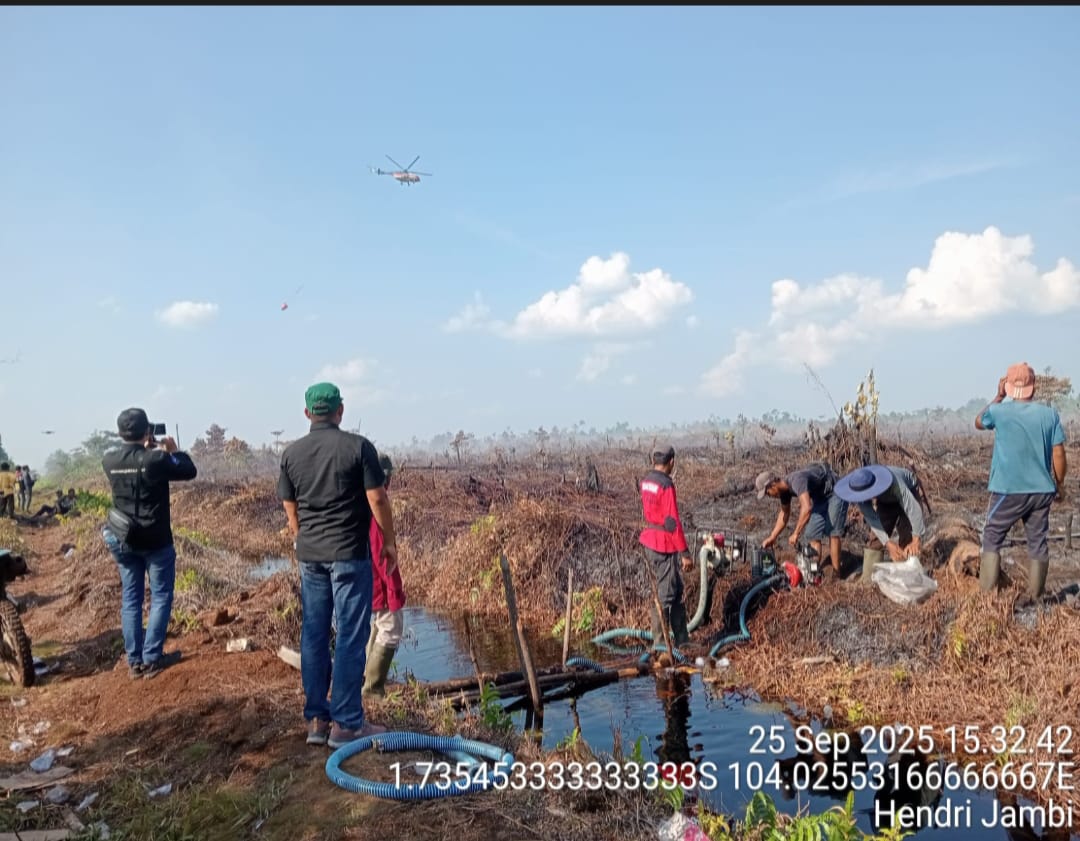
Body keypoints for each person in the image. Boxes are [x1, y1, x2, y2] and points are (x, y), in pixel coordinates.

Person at [278, 382, 398, 748]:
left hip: (310, 556)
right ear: (340, 410)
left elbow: (289, 504)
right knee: (350, 635)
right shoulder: (358, 447)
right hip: (348, 554)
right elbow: (376, 497)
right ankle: (346, 724)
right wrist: (389, 540)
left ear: (307, 414)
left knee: (314, 633)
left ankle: (317, 721)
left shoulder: (292, 453)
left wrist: (300, 536)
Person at [101, 408, 198, 679]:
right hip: (155, 540)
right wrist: (172, 450)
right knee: (160, 596)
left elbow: (133, 464)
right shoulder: (155, 459)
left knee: (131, 598)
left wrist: (150, 449)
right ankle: (152, 657)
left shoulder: (108, 460)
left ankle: (134, 661)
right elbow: (189, 471)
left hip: (122, 538)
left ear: (120, 432)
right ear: (147, 431)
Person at [975, 362, 1067, 599]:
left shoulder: (998, 411)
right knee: (1038, 542)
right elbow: (1058, 454)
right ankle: (1036, 597)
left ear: (1007, 385)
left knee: (992, 537)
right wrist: (1060, 484)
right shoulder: (1050, 415)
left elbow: (978, 422)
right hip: (1041, 491)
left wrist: (998, 395)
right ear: (1033, 387)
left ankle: (986, 599)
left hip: (1007, 490)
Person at [834, 465, 929, 584]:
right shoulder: (858, 492)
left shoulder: (895, 484)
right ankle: (869, 581)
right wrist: (888, 543)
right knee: (875, 541)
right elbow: (873, 519)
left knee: (907, 541)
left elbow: (912, 508)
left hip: (909, 492)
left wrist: (916, 539)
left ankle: (909, 581)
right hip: (885, 502)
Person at [638, 446, 693, 649]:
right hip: (663, 544)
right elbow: (671, 522)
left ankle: (682, 642)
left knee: (677, 590)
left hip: (650, 540)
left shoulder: (647, 481)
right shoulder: (666, 484)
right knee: (666, 595)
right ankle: (661, 647)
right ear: (671, 462)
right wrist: (685, 553)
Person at [756, 462, 848, 579]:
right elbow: (784, 513)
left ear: (773, 485)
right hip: (820, 498)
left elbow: (807, 508)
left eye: (767, 493)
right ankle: (813, 573)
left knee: (832, 532)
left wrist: (796, 533)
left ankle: (836, 574)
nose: (769, 496)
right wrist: (773, 536)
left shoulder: (797, 480)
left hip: (836, 491)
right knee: (811, 534)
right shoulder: (784, 492)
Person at [363, 453, 406, 699]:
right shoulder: (377, 508)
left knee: (378, 626)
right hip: (380, 584)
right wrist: (393, 592)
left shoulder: (361, 504)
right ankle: (372, 691)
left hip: (367, 583)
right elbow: (383, 558)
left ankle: (366, 680)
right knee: (390, 627)